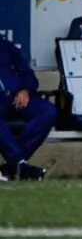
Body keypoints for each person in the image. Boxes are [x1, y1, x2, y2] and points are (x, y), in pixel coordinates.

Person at [0, 38, 56, 180]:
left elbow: (27, 74)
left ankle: (12, 166)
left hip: (15, 99)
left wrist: (25, 90)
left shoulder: (5, 47)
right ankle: (21, 166)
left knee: (49, 111)